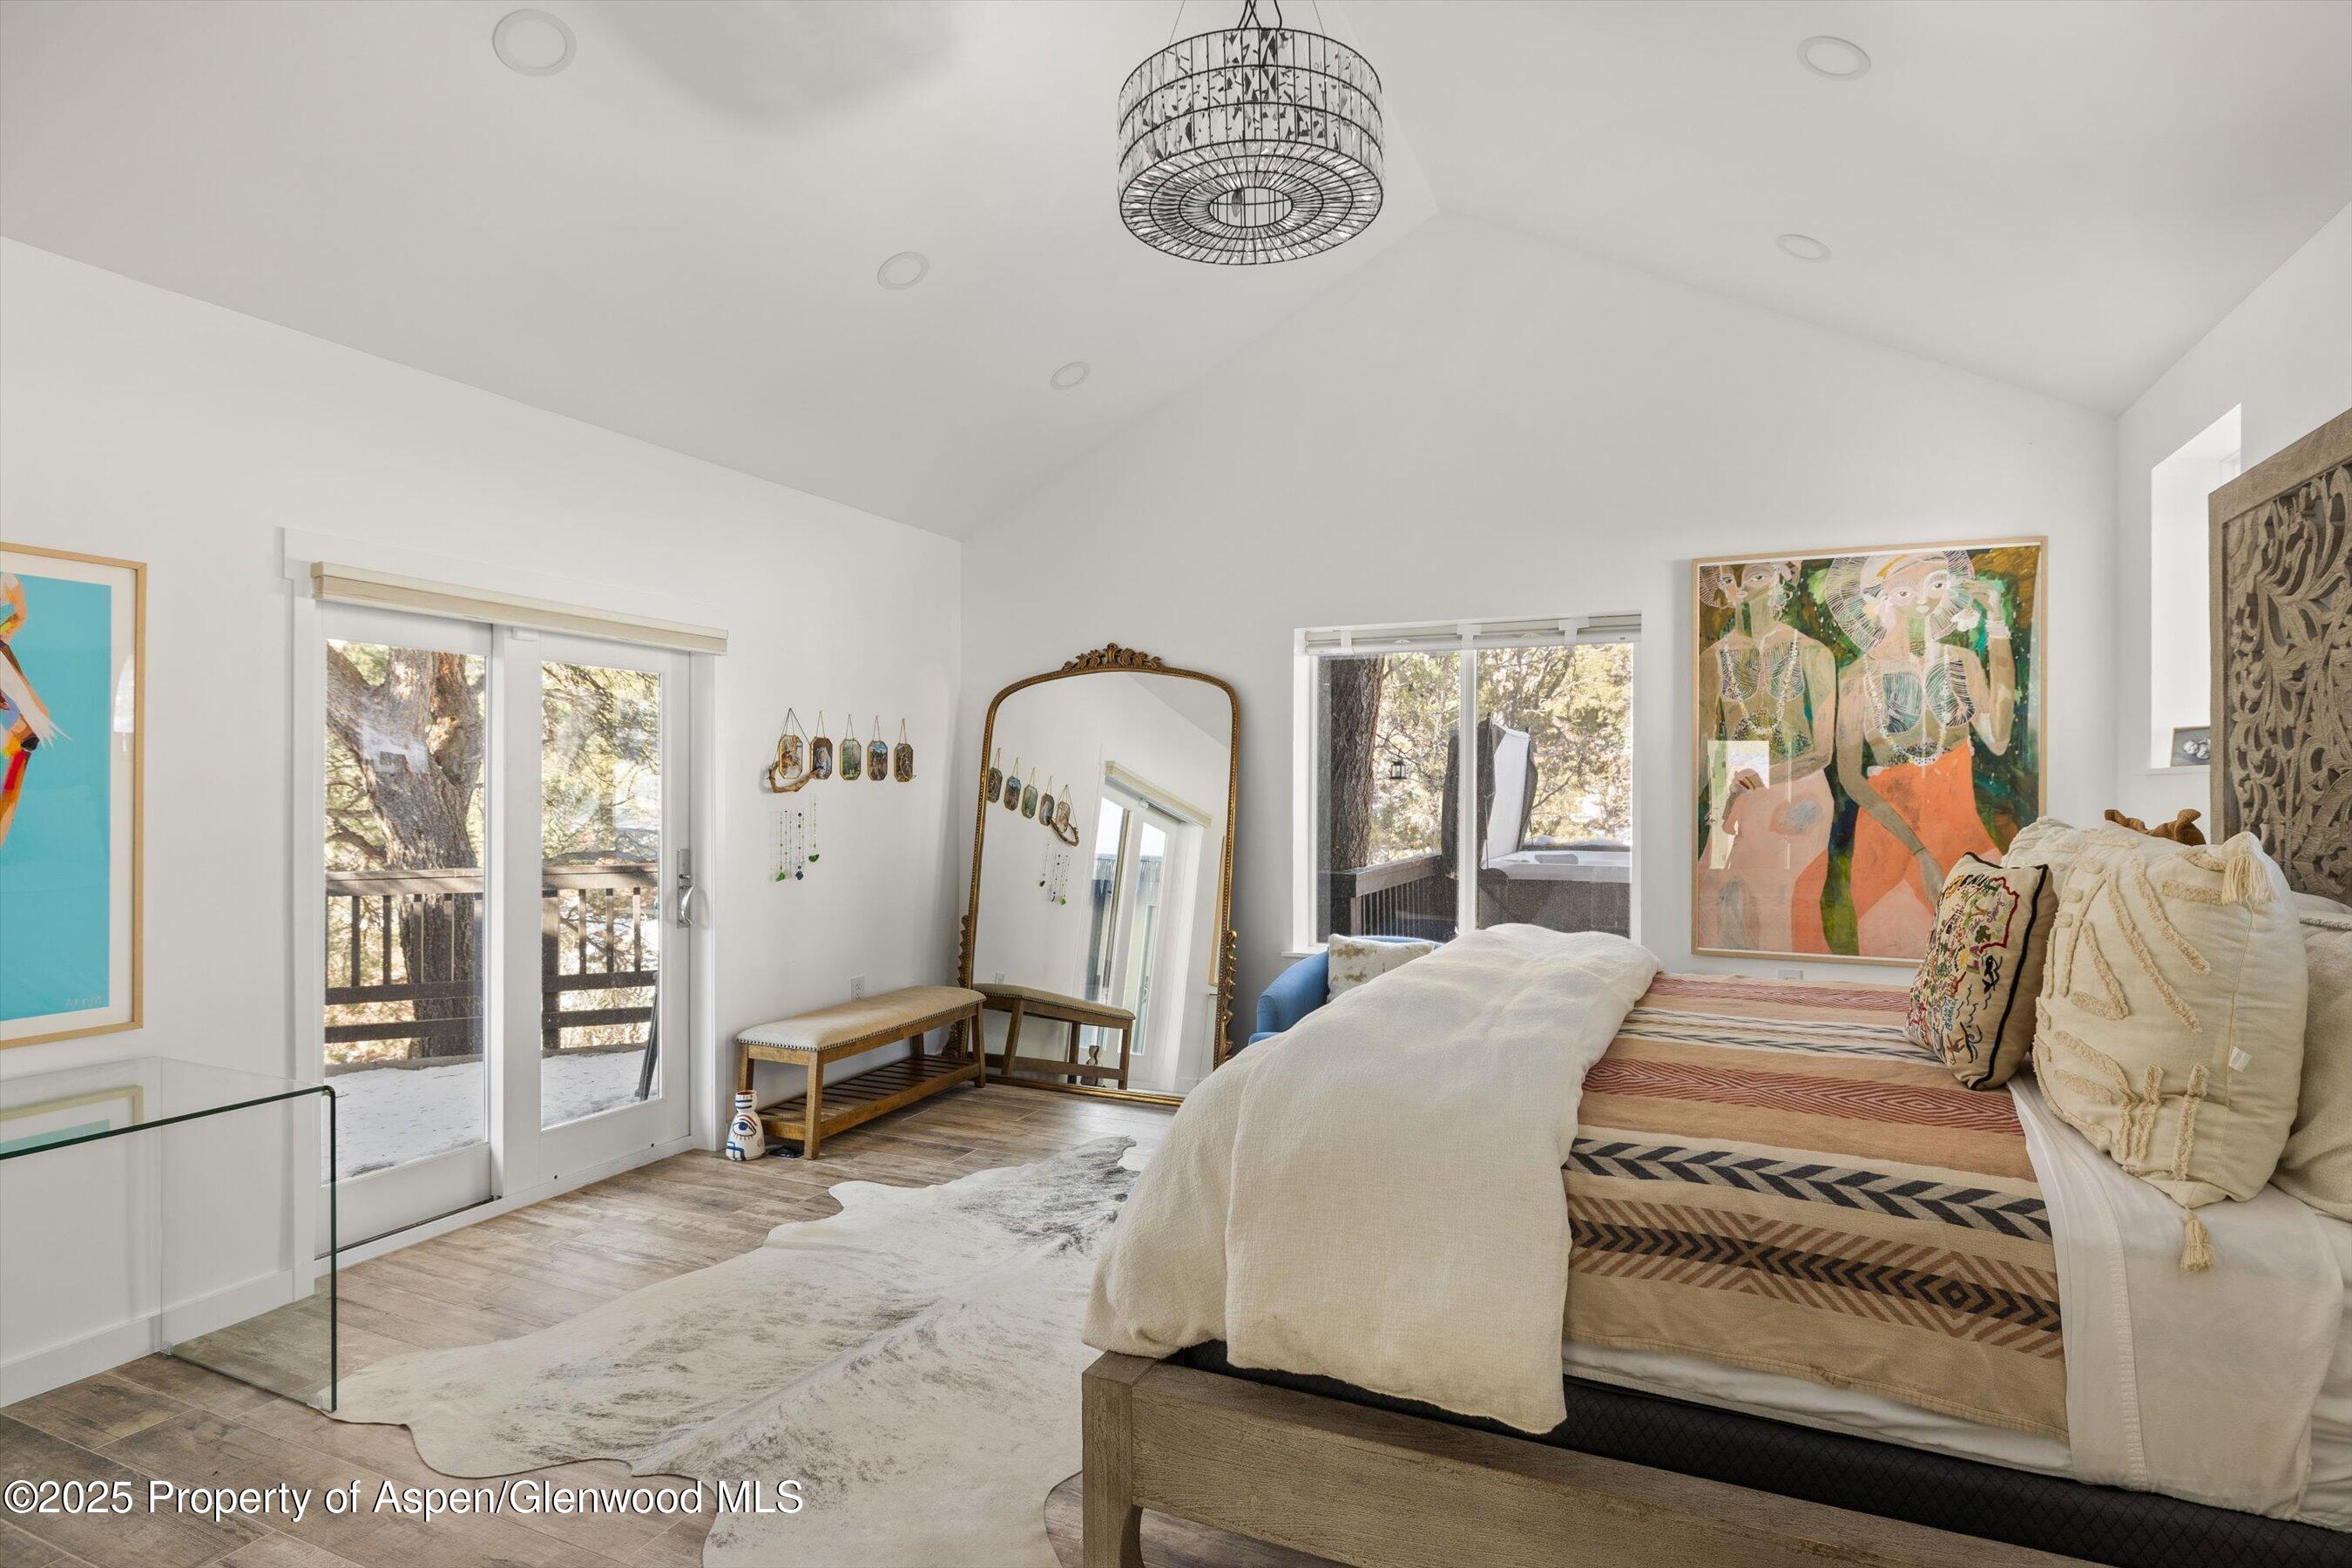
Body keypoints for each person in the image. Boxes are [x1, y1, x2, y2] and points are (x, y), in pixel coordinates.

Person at [1827, 551, 2016, 956]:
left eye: (1936, 583)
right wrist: (1920, 853)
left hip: (1964, 837)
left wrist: (1997, 624)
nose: (1922, 599)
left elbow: (1998, 738)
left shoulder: (1962, 661)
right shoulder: (1857, 677)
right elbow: (1851, 779)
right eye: (1905, 589)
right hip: (1889, 843)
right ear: (1879, 599)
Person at [1693, 559, 1838, 954]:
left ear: (1781, 579)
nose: (1742, 590)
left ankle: (1791, 994)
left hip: (1796, 782)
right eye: (1729, 580)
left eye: (1756, 576)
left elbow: (1822, 750)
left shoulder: (1812, 652)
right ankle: (1729, 996)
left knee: (1778, 897)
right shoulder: (1712, 659)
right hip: (1732, 775)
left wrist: (1754, 780)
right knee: (1712, 887)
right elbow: (1705, 743)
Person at [0, 570, 64, 853]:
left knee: (12, 783)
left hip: (22, 736)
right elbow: (20, 614)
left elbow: (20, 614)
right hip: (22, 735)